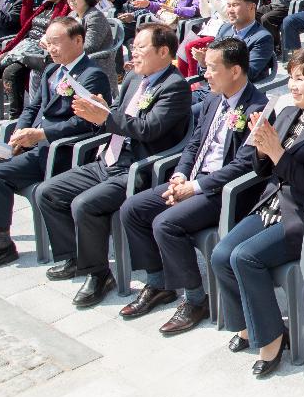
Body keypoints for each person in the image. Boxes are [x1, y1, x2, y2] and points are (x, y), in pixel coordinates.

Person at [209, 46, 304, 375]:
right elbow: (263, 170)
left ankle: (272, 339)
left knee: (244, 257)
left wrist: (276, 152)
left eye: (300, 79)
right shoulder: (289, 113)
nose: (292, 85)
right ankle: (248, 324)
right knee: (221, 255)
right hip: (271, 204)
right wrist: (259, 147)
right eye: (291, 77)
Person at [33, 23, 192, 306]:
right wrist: (101, 108)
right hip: (109, 158)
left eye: (141, 47)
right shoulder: (133, 78)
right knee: (47, 192)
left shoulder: (174, 86)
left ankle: (97, 274)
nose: (134, 53)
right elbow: (118, 113)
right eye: (133, 47)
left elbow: (149, 129)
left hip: (138, 168)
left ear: (164, 51)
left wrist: (105, 117)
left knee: (85, 205)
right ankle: (78, 257)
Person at [118, 38, 267, 333]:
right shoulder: (213, 99)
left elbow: (243, 165)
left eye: (212, 68)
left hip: (224, 191)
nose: (205, 74)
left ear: (235, 71)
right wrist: (181, 175)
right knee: (132, 209)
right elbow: (194, 143)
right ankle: (158, 281)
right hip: (195, 180)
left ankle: (195, 299)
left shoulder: (258, 108)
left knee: (165, 224)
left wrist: (196, 187)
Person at [0, 18, 112, 273]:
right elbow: (33, 106)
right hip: (33, 142)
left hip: (58, 150)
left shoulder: (92, 75)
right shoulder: (52, 71)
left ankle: (2, 245)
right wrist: (19, 133)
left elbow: (85, 124)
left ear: (78, 40)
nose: (51, 48)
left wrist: (41, 134)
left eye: (57, 42)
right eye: (48, 43)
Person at [65, 0, 115, 83]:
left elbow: (90, 46)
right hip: (75, 60)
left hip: (94, 65)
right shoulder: (72, 15)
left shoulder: (95, 16)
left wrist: (65, 50)